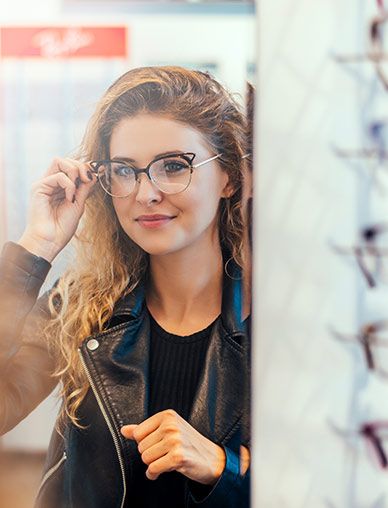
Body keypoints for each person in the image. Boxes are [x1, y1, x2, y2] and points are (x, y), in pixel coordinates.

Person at [0, 65, 252, 508]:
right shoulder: (81, 305)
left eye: (174, 166)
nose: (145, 193)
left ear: (228, 177)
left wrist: (220, 466)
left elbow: (331, 477)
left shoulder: (282, 323)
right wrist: (35, 248)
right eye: (124, 170)